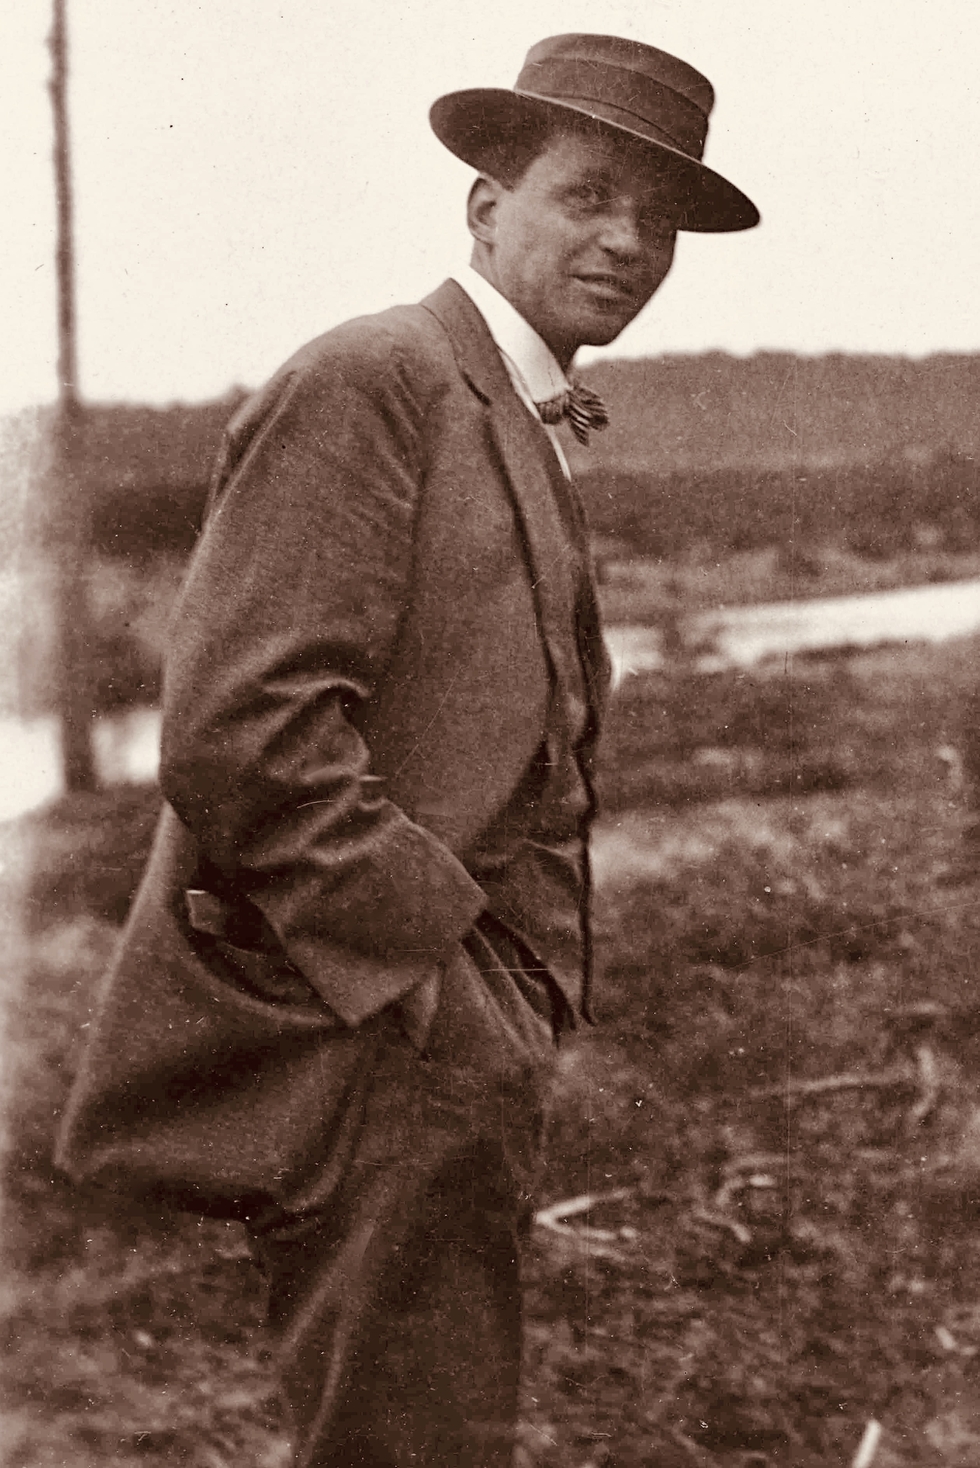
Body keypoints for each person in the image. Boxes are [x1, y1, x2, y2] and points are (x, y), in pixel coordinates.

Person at [57, 32, 758, 1468]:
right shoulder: (378, 375)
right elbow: (245, 732)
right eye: (586, 195)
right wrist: (444, 984)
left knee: (428, 1425)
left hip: (436, 1047)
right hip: (376, 1036)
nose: (627, 243)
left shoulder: (510, 399)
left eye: (657, 218)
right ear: (486, 207)